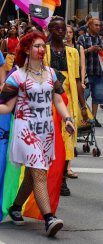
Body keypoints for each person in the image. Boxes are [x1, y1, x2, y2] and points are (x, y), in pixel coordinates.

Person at [0, 31, 75, 237]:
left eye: (43, 46)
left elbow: (58, 100)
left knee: (34, 176)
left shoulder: (51, 74)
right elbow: (6, 107)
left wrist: (68, 118)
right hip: (26, 131)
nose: (41, 50)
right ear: (26, 49)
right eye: (36, 46)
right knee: (39, 172)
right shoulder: (16, 76)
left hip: (46, 132)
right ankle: (49, 218)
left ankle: (16, 207)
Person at [46, 16, 88, 195]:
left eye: (63, 29)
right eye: (57, 29)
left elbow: (78, 80)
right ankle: (46, 177)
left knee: (66, 141)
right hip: (47, 101)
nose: (61, 32)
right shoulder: (44, 50)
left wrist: (83, 105)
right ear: (50, 30)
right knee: (49, 139)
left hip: (68, 101)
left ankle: (62, 179)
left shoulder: (73, 52)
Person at [77, 18, 103, 127]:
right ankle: (84, 116)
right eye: (96, 25)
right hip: (86, 73)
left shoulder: (102, 39)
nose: (98, 27)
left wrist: (102, 51)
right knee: (83, 97)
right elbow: (77, 53)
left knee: (97, 97)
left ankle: (93, 118)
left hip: (99, 72)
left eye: (99, 25)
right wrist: (88, 50)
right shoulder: (82, 38)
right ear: (89, 26)